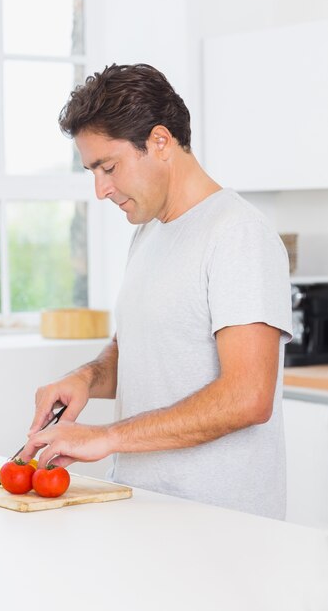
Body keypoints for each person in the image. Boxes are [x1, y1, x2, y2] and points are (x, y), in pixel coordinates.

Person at [19, 63, 293, 519]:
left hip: (220, 525)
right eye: (92, 171)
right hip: (142, 508)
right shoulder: (148, 233)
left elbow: (248, 397)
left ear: (160, 142)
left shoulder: (238, 234)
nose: (102, 189)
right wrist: (86, 379)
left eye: (108, 167)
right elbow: (142, 346)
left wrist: (104, 436)